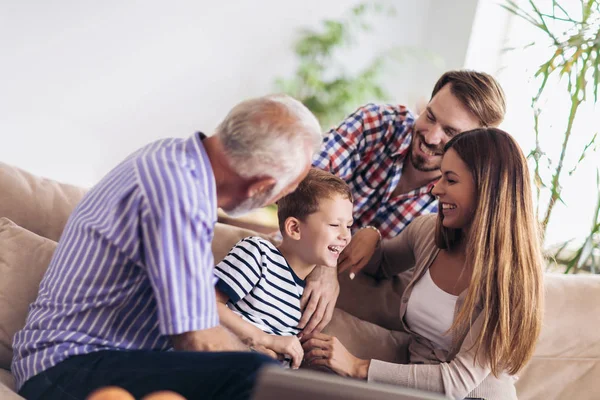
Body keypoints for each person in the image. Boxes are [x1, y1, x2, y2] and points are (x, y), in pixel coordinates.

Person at [11, 94, 323, 400]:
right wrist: (269, 368)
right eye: (289, 188)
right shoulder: (178, 197)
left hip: (103, 360)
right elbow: (196, 338)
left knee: (256, 372)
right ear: (262, 187)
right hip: (65, 367)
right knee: (257, 374)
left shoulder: (174, 157)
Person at [301, 128, 545, 400]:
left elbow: (455, 383)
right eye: (440, 176)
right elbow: (380, 263)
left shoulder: (508, 282)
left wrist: (358, 366)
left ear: (487, 190)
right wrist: (371, 234)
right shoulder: (428, 232)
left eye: (450, 180)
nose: (435, 188)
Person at [299, 70, 507, 337]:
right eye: (430, 117)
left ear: (475, 145)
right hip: (308, 256)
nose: (430, 137)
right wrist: (324, 266)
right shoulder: (378, 123)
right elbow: (307, 180)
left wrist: (372, 237)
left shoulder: (464, 203)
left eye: (450, 132)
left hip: (371, 298)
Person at [214, 168, 353, 369]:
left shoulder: (310, 298)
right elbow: (207, 305)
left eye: (349, 226)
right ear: (294, 229)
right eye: (334, 225)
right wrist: (264, 340)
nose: (345, 235)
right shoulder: (259, 253)